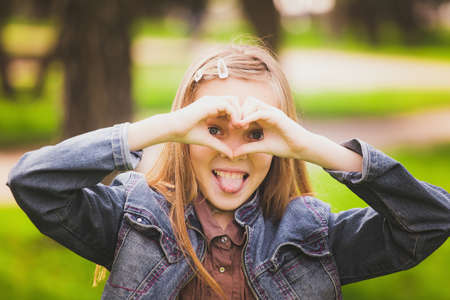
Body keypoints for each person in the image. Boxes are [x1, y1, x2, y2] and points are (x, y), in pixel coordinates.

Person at [7, 43, 449, 300]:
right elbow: (33, 184)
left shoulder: (313, 237)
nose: (232, 150)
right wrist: (162, 129)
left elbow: (430, 221)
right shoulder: (134, 221)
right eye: (212, 129)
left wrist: (311, 147)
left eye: (258, 133)